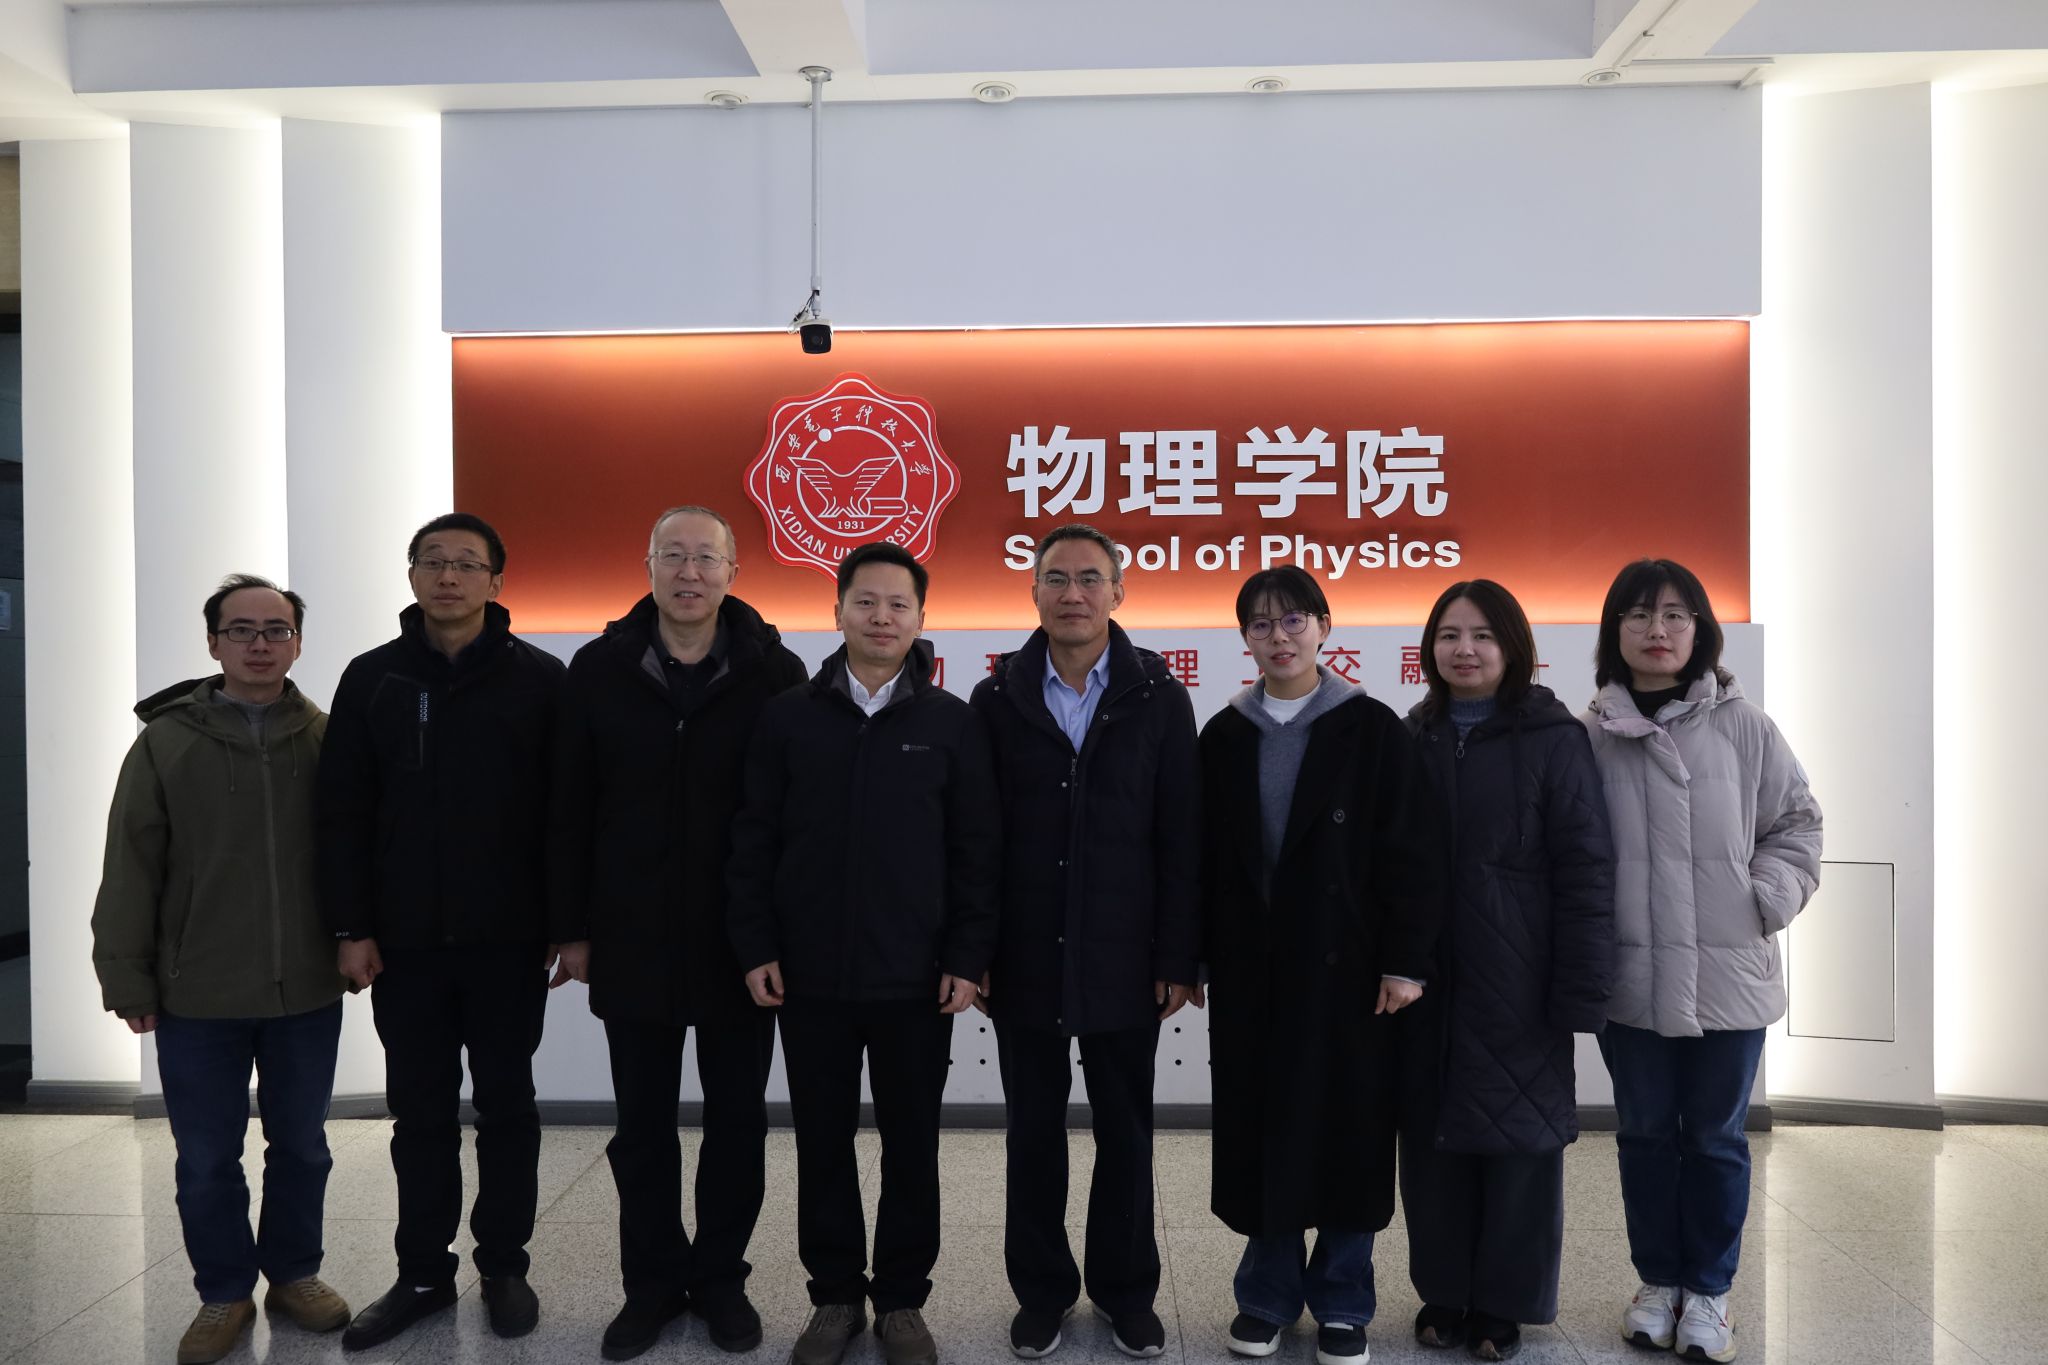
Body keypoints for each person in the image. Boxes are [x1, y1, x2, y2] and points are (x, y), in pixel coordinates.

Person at [726, 542, 1001, 1365]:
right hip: (809, 976)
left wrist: (967, 954)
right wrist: (756, 944)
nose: (882, 617)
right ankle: (836, 1296)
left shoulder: (952, 722)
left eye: (898, 604)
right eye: (866, 602)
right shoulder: (788, 716)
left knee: (912, 1143)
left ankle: (903, 1300)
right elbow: (753, 839)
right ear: (838, 609)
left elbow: (977, 852)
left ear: (921, 618)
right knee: (822, 1140)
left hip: (918, 979)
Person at [548, 505, 805, 1361]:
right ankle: (652, 1283)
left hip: (742, 943)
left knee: (738, 1121)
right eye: (673, 555)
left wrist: (777, 933)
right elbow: (568, 806)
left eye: (706, 557)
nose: (689, 572)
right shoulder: (600, 667)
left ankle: (722, 1277)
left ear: (733, 571)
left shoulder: (774, 670)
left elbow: (793, 817)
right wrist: (571, 927)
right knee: (643, 1126)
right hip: (630, 934)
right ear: (649, 565)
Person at [316, 513, 568, 1351]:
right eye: (433, 561)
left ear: (497, 580)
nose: (449, 576)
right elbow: (342, 813)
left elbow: (565, 814)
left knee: (508, 1109)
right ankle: (423, 1272)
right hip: (405, 943)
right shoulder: (373, 678)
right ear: (413, 574)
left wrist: (567, 923)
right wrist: (351, 926)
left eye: (467, 563)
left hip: (508, 940)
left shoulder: (540, 679)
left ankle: (504, 1265)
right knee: (419, 1114)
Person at [91, 574, 350, 1365]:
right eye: (242, 629)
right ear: (213, 642)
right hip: (197, 990)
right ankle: (225, 1290)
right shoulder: (166, 742)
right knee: (207, 1157)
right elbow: (130, 865)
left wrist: (361, 938)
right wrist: (126, 974)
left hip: (306, 986)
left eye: (276, 629)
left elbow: (360, 854)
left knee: (302, 1145)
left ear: (298, 642)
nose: (260, 643)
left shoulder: (329, 738)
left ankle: (295, 1274)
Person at [1197, 565, 1445, 1365]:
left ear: (1325, 626)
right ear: (1245, 637)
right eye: (1261, 623)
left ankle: (1343, 1299)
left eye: (1294, 619)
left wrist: (1406, 961)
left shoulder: (1371, 727)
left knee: (1351, 1133)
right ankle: (1266, 1295)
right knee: (1264, 1129)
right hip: (1253, 970)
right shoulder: (1225, 734)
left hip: (1351, 971)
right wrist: (1193, 955)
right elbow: (1200, 861)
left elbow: (1412, 853)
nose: (1279, 636)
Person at [968, 523, 1201, 1361]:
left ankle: (1126, 1290)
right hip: (1023, 955)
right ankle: (1041, 1293)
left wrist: (1178, 956)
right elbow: (978, 837)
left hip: (1125, 957)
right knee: (1032, 1133)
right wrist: (974, 949)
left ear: (1118, 592)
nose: (1074, 593)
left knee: (1125, 1132)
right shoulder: (996, 697)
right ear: (1033, 591)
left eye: (1090, 578)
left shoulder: (1157, 694)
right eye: (1057, 578)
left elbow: (1182, 835)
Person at [1583, 559, 1821, 1364]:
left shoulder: (1746, 727)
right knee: (1645, 1134)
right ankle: (1657, 1282)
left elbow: (1798, 823)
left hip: (1728, 976)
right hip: (1632, 976)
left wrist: (1763, 899)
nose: (1657, 630)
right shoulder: (1591, 734)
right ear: (1615, 630)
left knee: (1717, 1138)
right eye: (1639, 615)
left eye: (1675, 615)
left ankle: (1710, 1291)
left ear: (1700, 630)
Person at [1399, 579, 1615, 1361]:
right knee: (1433, 1141)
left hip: (1521, 977)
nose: (1465, 649)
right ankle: (1443, 1291)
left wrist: (1581, 989)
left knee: (1520, 1142)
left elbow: (1587, 869)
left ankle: (1503, 1305)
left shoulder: (1555, 738)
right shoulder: (1413, 735)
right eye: (1449, 635)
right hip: (1424, 979)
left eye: (1483, 635)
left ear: (1514, 647)